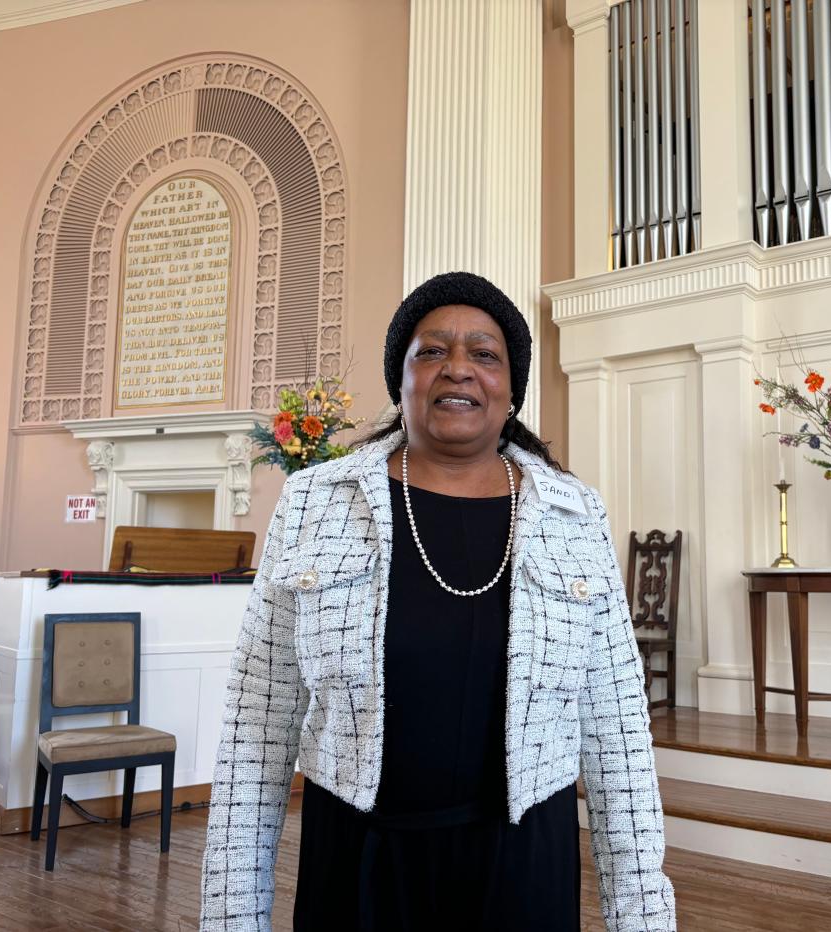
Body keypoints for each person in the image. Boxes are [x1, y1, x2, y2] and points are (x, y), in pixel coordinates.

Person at [199, 271, 675, 931]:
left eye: (484, 354)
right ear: (402, 380)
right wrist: (231, 917)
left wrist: (643, 918)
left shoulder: (572, 512)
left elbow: (619, 732)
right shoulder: (316, 502)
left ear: (512, 391)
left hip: (524, 865)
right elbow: (258, 721)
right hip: (360, 861)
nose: (458, 369)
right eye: (432, 351)